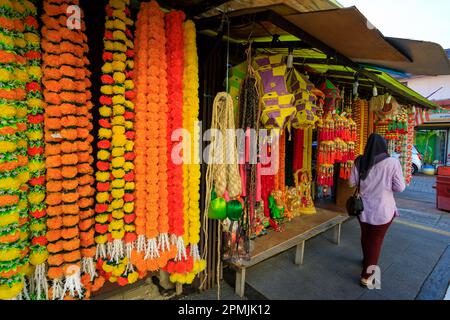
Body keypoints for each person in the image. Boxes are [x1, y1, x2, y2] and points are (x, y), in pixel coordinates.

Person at [349, 133, 406, 287]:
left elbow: (351, 182)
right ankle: (367, 276)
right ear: (384, 146)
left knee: (366, 236)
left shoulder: (359, 161)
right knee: (375, 241)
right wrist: (387, 186)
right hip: (383, 210)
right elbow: (400, 187)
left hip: (362, 209)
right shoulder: (392, 162)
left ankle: (367, 259)